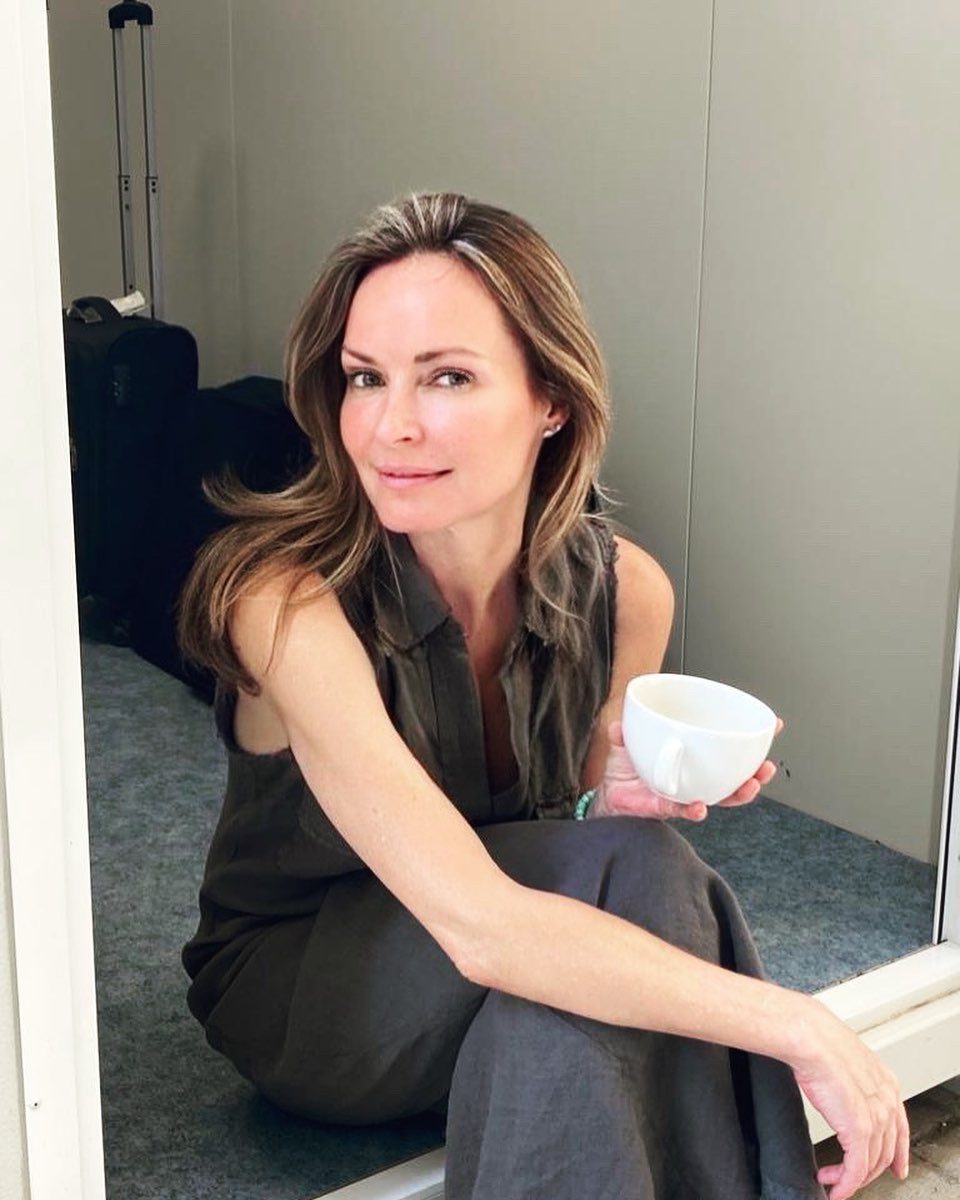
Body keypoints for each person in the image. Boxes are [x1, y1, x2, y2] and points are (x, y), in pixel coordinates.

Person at [177, 191, 909, 1200]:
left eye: (448, 377)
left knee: (610, 917)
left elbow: (564, 836)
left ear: (551, 398)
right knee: (627, 904)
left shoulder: (628, 590)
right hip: (317, 988)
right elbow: (480, 921)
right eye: (365, 378)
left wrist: (605, 804)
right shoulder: (287, 602)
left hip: (501, 943)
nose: (391, 425)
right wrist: (800, 1024)